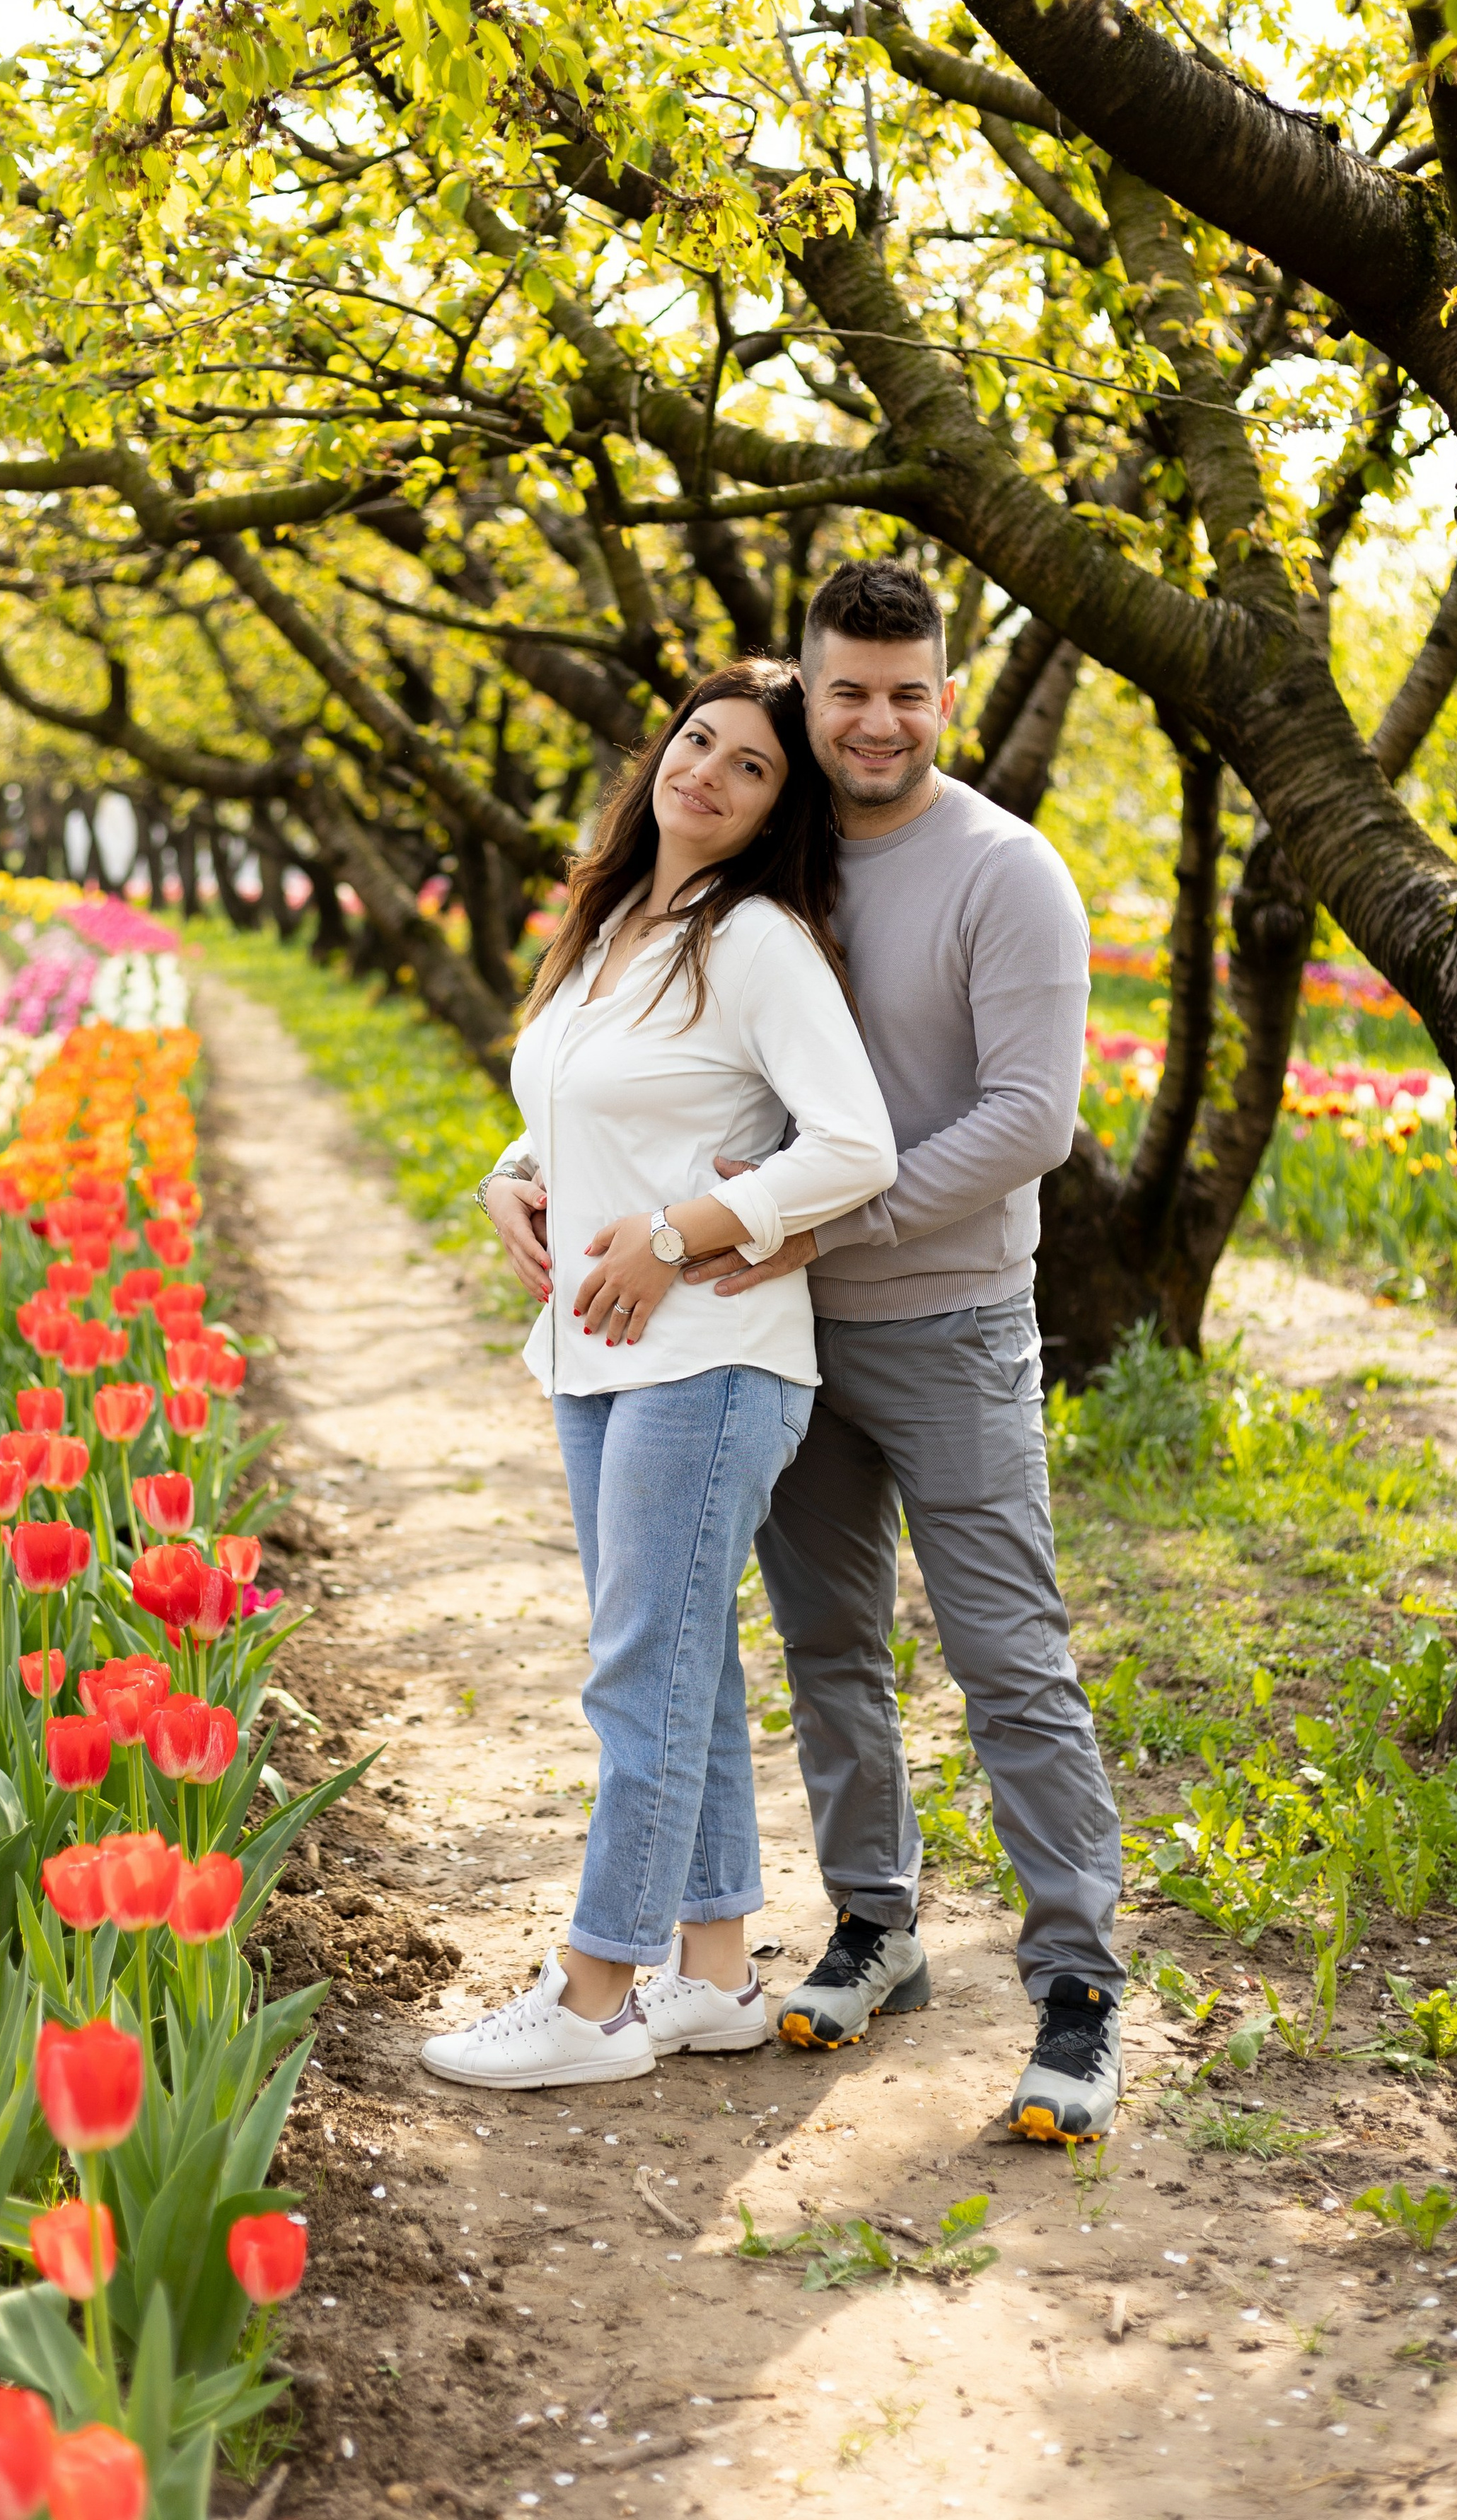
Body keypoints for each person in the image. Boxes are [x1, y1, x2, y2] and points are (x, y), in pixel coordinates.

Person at [682, 559, 1126, 2144]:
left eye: (907, 690)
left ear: (949, 694)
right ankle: (875, 1925)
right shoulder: (762, 865)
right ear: (803, 693)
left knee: (1008, 1662)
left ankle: (1075, 1993)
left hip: (944, 1328)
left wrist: (818, 1226)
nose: (876, 720)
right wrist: (533, 1174)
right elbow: (668, 1061)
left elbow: (1028, 1119)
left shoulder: (1007, 873)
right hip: (779, 1336)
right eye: (845, 692)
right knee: (828, 1653)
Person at [422, 659, 897, 2092]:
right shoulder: (612, 917)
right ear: (660, 754)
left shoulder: (756, 942)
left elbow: (853, 1146)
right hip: (592, 1349)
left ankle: (593, 1995)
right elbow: (584, 1105)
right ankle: (713, 1971)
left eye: (751, 768)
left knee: (639, 1669)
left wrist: (687, 1234)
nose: (709, 775)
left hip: (712, 1357)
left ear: (773, 812)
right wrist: (512, 1178)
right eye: (698, 744)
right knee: (678, 1663)